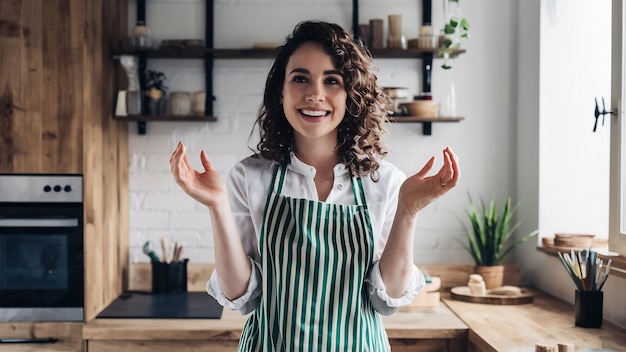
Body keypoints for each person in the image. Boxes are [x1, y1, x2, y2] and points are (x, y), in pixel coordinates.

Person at [170, 20, 459, 352]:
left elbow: (387, 299)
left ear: (351, 94)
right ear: (281, 91)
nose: (315, 94)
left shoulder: (385, 181)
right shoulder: (250, 178)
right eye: (300, 78)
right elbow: (241, 298)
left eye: (332, 80)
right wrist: (217, 206)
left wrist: (408, 210)